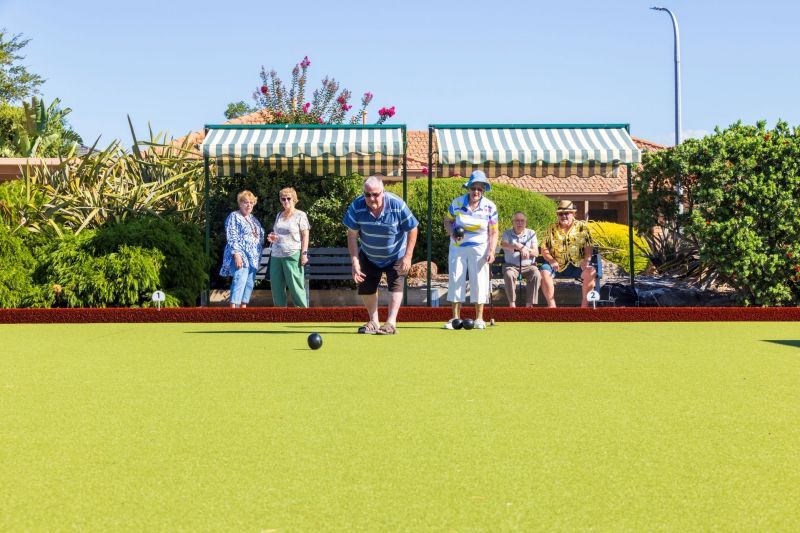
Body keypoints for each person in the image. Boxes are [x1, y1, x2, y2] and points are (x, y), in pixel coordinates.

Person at [343, 176, 419, 335]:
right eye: (367, 194)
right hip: (369, 255)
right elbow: (352, 235)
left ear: (383, 192)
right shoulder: (356, 206)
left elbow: (412, 228)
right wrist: (355, 261)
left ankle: (391, 322)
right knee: (365, 285)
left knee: (396, 285)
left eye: (376, 194)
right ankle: (374, 321)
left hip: (396, 254)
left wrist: (408, 256)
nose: (371, 198)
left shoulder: (397, 204)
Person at [443, 170, 498, 330]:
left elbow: (494, 232)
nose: (476, 192)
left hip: (480, 248)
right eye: (473, 188)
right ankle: (455, 318)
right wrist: (452, 233)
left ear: (484, 190)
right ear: (468, 188)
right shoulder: (457, 203)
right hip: (458, 248)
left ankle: (479, 318)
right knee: (455, 279)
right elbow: (447, 221)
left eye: (479, 189)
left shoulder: (490, 207)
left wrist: (492, 251)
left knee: (480, 280)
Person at [539, 200, 596, 308]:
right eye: (561, 214)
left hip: (577, 265)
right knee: (544, 271)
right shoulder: (551, 228)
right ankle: (552, 307)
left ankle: (584, 306)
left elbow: (588, 245)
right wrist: (551, 260)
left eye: (567, 213)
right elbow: (544, 248)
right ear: (557, 215)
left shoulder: (582, 227)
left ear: (573, 214)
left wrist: (586, 259)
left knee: (591, 271)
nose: (563, 216)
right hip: (556, 265)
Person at [220, 190, 264, 308]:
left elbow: (260, 237)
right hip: (240, 253)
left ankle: (243, 308)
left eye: (251, 202)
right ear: (240, 203)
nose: (249, 205)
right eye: (246, 202)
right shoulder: (234, 216)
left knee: (249, 282)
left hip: (253, 256)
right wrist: (236, 254)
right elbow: (232, 235)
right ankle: (233, 307)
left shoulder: (253, 219)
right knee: (240, 278)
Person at [267, 187, 310, 308]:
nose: (286, 201)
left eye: (288, 198)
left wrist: (304, 254)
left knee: (296, 287)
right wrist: (272, 236)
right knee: (276, 287)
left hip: (292, 254)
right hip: (276, 255)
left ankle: (303, 313)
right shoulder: (279, 215)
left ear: (294, 199)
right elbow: (277, 233)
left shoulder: (300, 215)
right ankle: (280, 314)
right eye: (283, 199)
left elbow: (305, 235)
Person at [500, 211, 541, 307]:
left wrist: (526, 249)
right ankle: (512, 304)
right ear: (513, 222)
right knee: (509, 274)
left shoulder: (531, 233)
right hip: (511, 267)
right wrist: (516, 246)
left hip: (529, 266)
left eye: (522, 221)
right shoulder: (507, 233)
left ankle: (529, 304)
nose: (520, 223)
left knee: (536, 274)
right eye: (517, 221)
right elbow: (504, 245)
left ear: (526, 223)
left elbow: (536, 253)